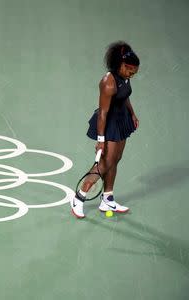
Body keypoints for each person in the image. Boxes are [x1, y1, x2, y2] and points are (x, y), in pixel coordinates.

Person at [71, 41, 140, 218]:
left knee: (116, 159)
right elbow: (102, 113)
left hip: (121, 120)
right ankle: (79, 197)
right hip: (108, 123)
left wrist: (132, 114)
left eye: (135, 70)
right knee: (105, 163)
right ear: (120, 65)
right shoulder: (108, 82)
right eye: (130, 69)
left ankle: (107, 198)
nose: (132, 73)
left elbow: (125, 96)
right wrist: (100, 140)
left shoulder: (124, 77)